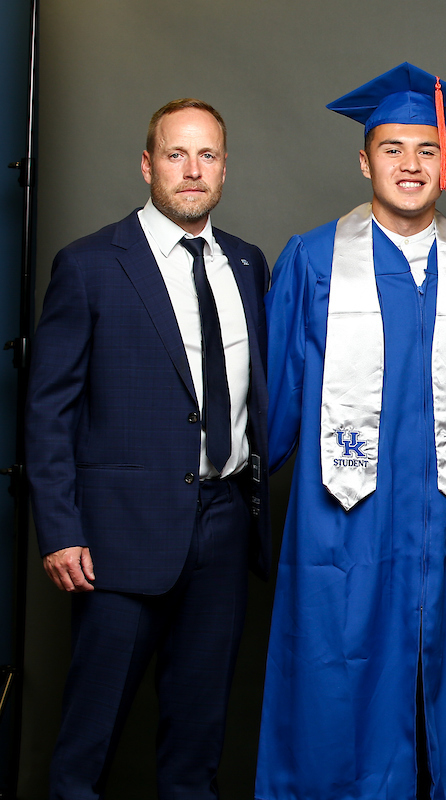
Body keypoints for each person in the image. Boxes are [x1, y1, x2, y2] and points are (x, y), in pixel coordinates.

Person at [254, 63, 446, 800]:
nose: (410, 164)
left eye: (427, 149)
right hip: (345, 522)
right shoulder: (313, 260)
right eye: (392, 148)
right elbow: (272, 405)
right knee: (337, 689)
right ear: (364, 160)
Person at [26, 98, 270, 799]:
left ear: (224, 168)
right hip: (117, 536)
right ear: (147, 165)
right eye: (175, 154)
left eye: (207, 155)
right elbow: (48, 410)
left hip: (223, 526)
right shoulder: (90, 265)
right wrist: (61, 530)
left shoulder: (247, 264)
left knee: (197, 737)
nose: (192, 170)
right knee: (89, 739)